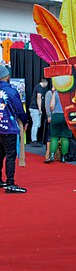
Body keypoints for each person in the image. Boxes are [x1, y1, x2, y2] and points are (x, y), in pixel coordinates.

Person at [0, 64, 28, 193]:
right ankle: (10, 183)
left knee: (0, 154)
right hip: (9, 128)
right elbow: (19, 110)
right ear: (6, 76)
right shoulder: (11, 91)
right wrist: (25, 121)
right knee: (10, 155)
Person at [45, 88, 72, 163]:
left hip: (56, 116)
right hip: (67, 116)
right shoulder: (70, 92)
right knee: (65, 137)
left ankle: (52, 156)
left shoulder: (56, 92)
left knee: (54, 136)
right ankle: (63, 157)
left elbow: (51, 106)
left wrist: (54, 93)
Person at [29, 78, 48, 146]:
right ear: (45, 83)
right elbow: (38, 98)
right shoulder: (39, 88)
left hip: (34, 108)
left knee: (37, 124)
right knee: (36, 124)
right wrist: (40, 109)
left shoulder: (38, 87)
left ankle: (34, 139)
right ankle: (34, 140)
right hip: (35, 108)